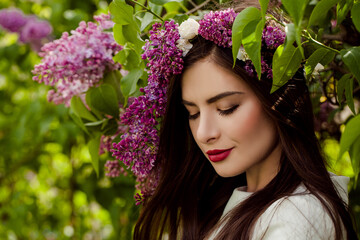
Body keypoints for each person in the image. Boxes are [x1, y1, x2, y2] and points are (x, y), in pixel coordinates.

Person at [132, 3, 358, 240]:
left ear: (280, 99)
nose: (203, 133)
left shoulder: (298, 220)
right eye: (193, 113)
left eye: (226, 109)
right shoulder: (226, 205)